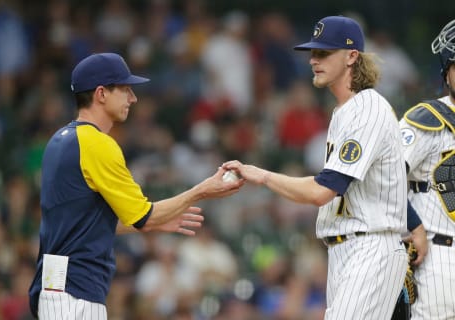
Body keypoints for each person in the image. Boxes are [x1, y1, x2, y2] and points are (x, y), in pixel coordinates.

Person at [28, 52, 243, 319]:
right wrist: (201, 191)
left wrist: (151, 223)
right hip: (76, 290)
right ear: (101, 94)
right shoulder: (97, 144)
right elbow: (144, 215)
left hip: (57, 285)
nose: (133, 98)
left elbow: (83, 222)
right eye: (126, 90)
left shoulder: (60, 140)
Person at [223, 16, 410, 319]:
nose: (313, 60)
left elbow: (322, 191)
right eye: (313, 53)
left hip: (370, 246)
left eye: (324, 53)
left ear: (352, 56)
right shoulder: (343, 112)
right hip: (346, 250)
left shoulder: (368, 108)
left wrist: (263, 175)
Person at [398, 19, 455, 320]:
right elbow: (384, 179)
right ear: (447, 72)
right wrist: (414, 226)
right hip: (439, 259)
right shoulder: (426, 120)